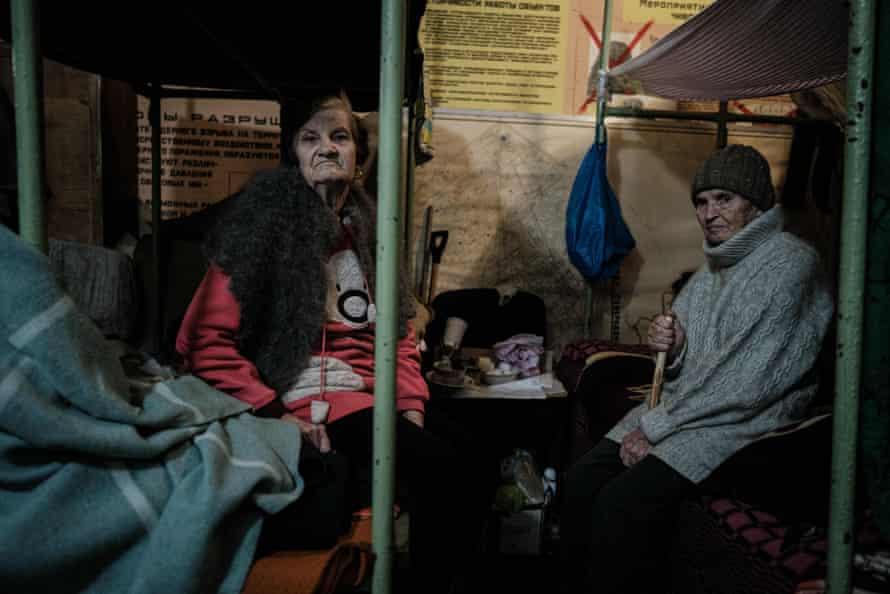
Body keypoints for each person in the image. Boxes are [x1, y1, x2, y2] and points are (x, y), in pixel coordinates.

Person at [176, 92, 489, 593]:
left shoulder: (367, 237)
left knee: (476, 448)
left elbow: (400, 337)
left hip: (368, 397)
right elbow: (203, 342)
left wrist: (410, 408)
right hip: (306, 401)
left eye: (339, 136)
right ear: (293, 156)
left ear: (358, 160)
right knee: (448, 473)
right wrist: (277, 415)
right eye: (310, 138)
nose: (325, 148)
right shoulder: (259, 234)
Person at [559, 144, 834, 593]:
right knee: (579, 483)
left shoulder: (792, 264)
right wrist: (678, 346)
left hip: (745, 420)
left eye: (724, 198)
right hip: (691, 409)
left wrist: (654, 427)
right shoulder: (712, 267)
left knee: (620, 505)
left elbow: (747, 383)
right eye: (702, 202)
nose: (709, 213)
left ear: (756, 203)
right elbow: (687, 365)